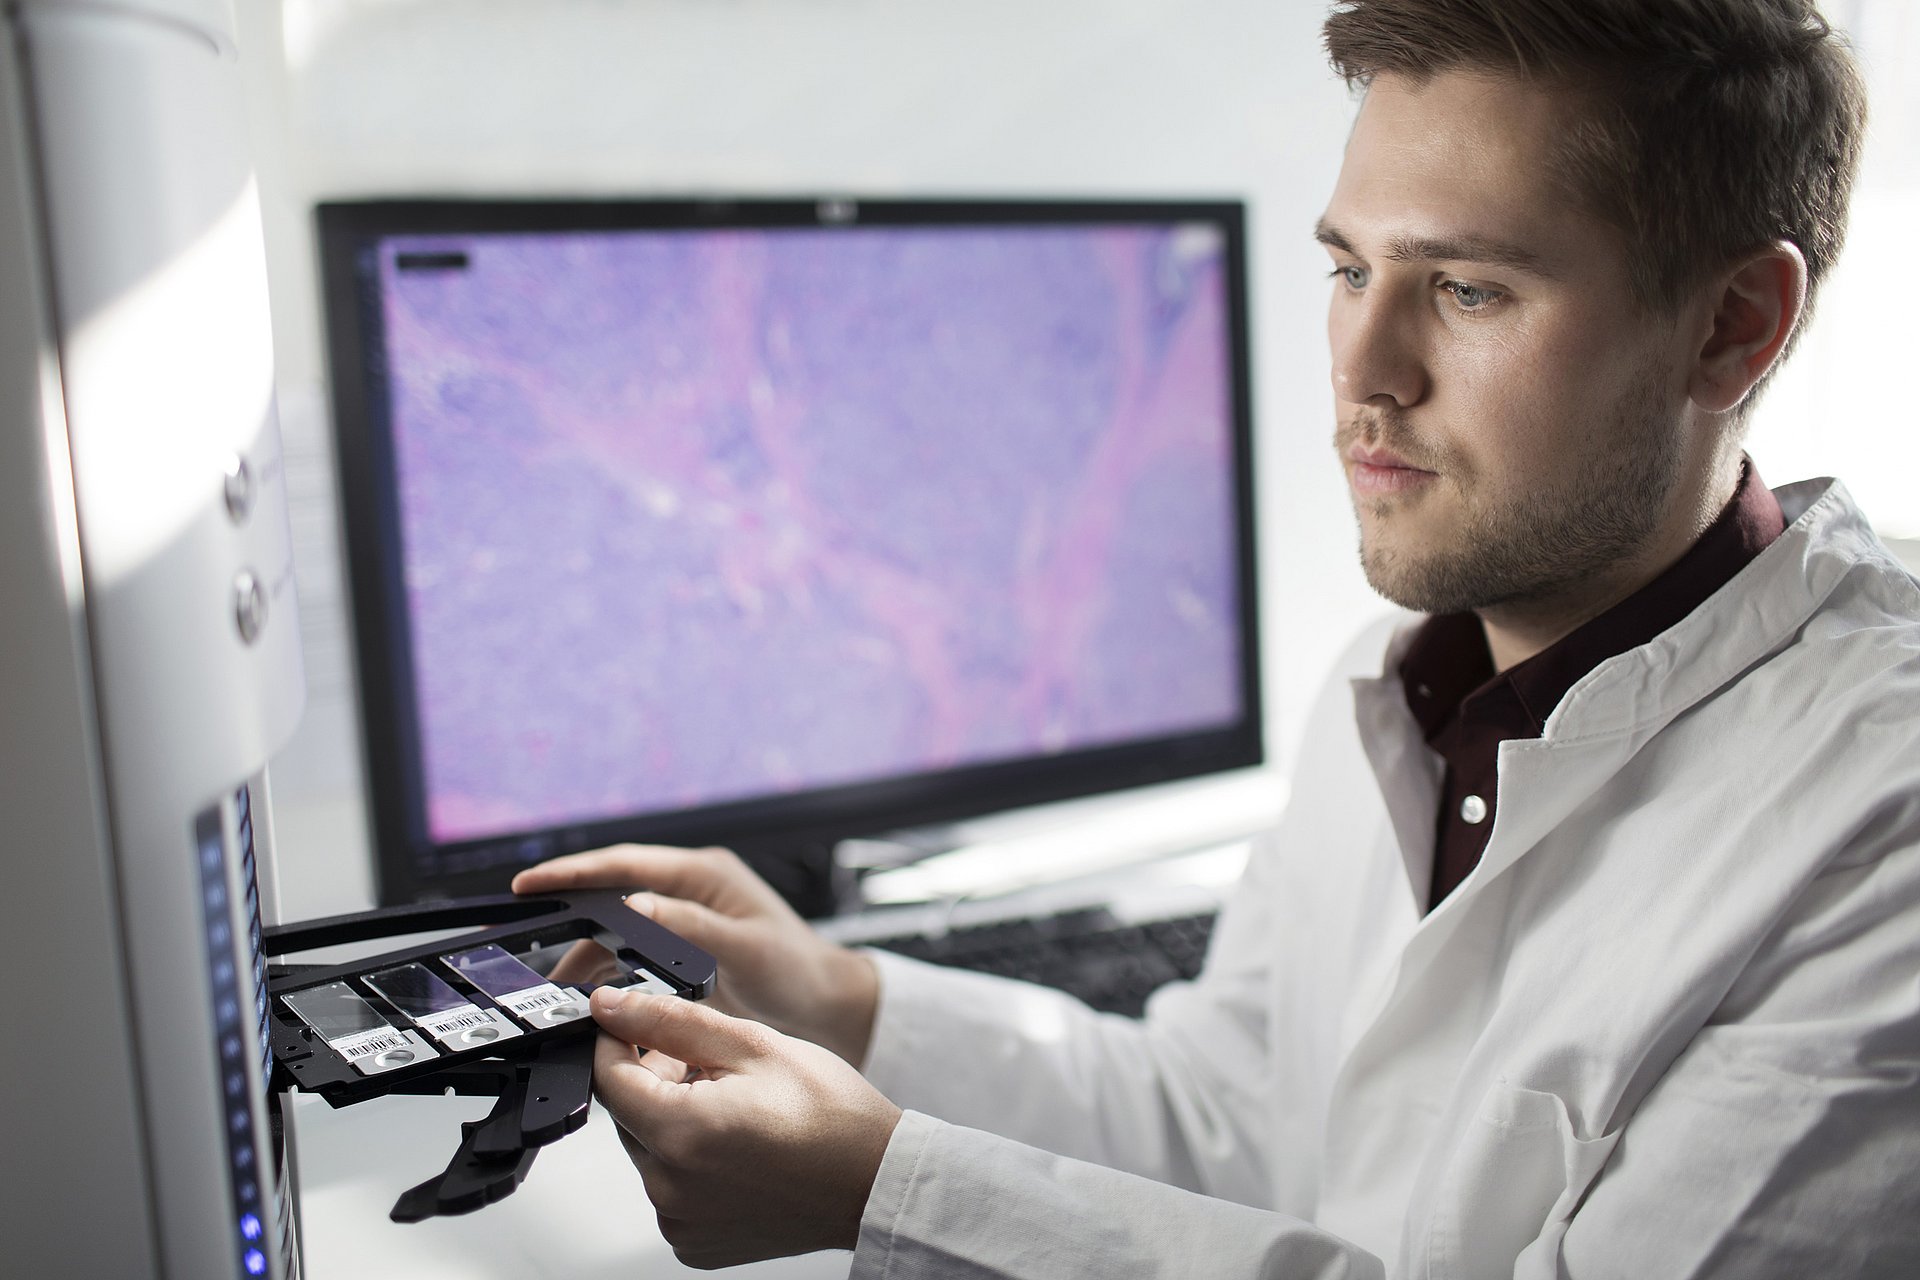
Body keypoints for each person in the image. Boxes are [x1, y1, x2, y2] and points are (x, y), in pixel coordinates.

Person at [515, 1, 1920, 1274]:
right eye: (1347, 268)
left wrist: (889, 1195)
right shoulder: (1402, 681)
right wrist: (838, 999)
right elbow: (1232, 1115)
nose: (1362, 374)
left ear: (1734, 329)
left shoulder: (1883, 821)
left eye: (1468, 289)